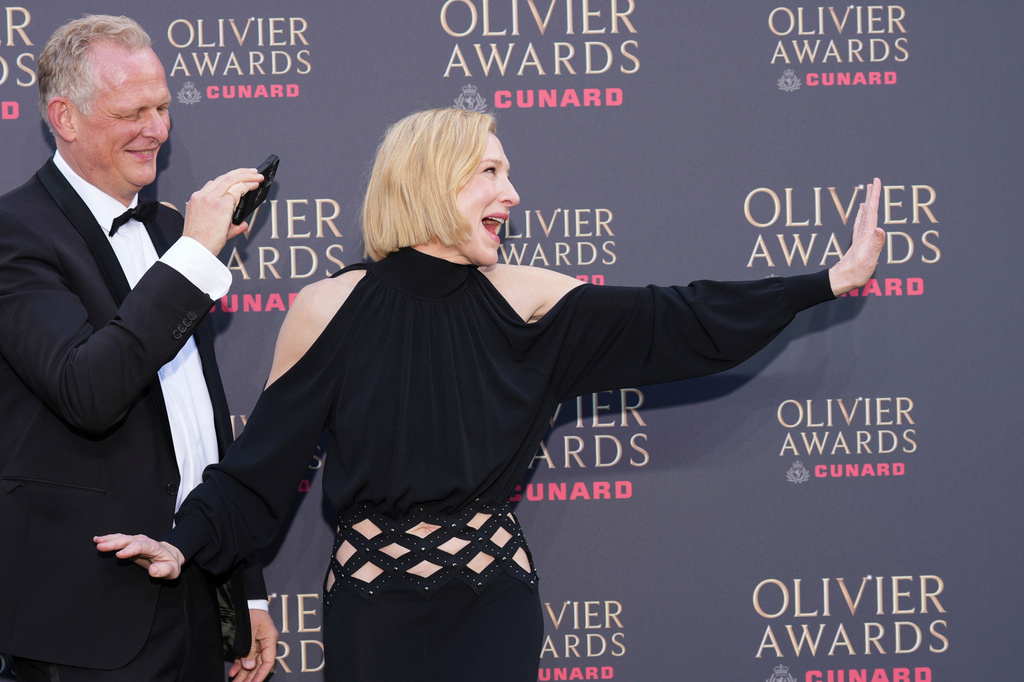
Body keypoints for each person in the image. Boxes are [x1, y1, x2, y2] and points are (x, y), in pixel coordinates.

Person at [96, 108, 885, 681]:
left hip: (494, 611)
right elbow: (258, 473)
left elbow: (681, 319)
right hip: (376, 619)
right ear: (430, 181)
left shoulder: (531, 299)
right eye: (491, 172)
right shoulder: (325, 309)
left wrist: (825, 281)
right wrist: (184, 542)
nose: (512, 193)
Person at [0, 14, 278, 682]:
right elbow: (88, 391)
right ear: (64, 116)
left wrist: (247, 586)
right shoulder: (15, 236)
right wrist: (191, 259)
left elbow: (202, 426)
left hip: (196, 594)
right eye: (133, 111)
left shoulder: (170, 233)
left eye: (162, 107)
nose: (157, 129)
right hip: (84, 623)